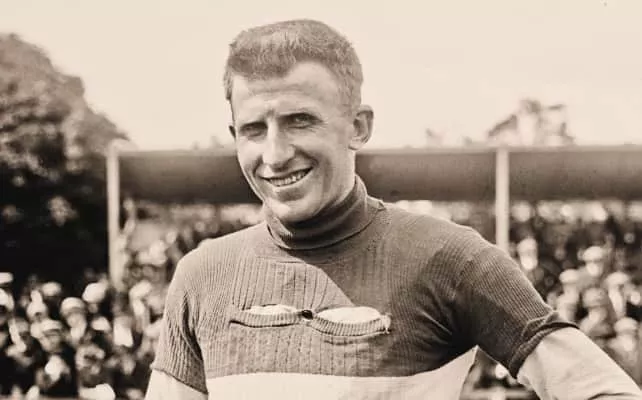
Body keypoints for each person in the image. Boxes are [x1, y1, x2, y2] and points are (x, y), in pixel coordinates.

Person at [145, 19, 642, 399]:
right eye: (254, 129)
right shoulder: (201, 275)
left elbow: (606, 390)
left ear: (358, 126)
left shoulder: (452, 258)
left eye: (300, 121)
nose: (274, 155)